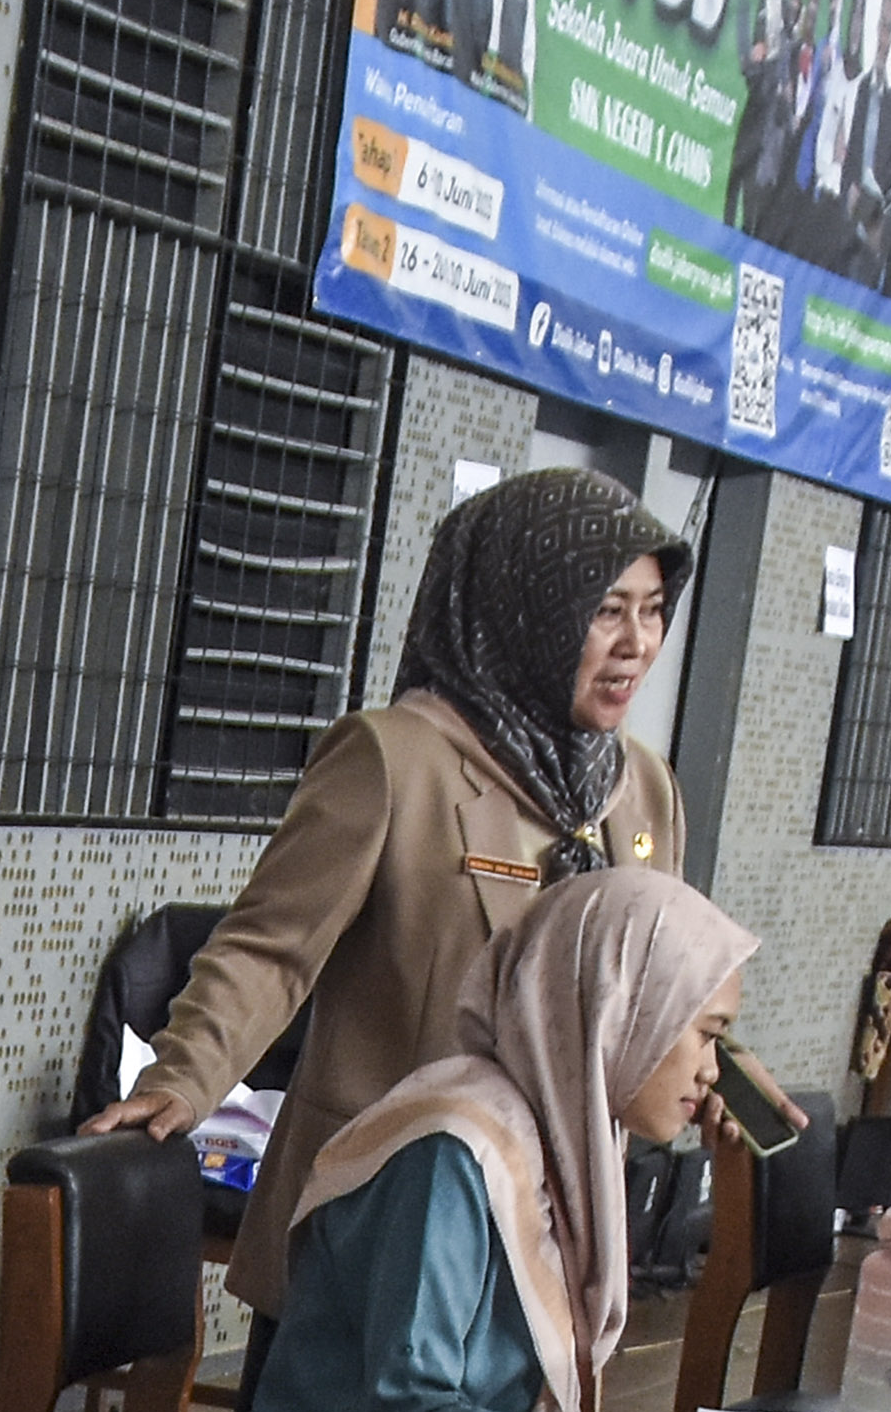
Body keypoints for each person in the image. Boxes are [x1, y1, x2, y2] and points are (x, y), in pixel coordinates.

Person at [89, 469, 693, 1323]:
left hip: (545, 1237)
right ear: (525, 609)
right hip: (379, 1218)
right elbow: (270, 948)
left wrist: (728, 1084)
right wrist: (184, 1077)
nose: (637, 642)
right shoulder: (396, 760)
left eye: (653, 608)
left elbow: (666, 993)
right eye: (605, 610)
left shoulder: (644, 793)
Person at [223, 867, 768, 1412]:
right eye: (705, 1034)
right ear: (625, 1011)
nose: (712, 1071)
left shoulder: (562, 1136)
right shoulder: (448, 1153)